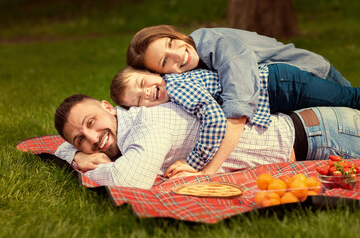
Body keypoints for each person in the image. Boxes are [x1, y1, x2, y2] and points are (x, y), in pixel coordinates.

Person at [125, 25, 359, 171]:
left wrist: (206, 172)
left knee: (352, 102)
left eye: (171, 43)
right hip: (282, 94)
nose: (178, 54)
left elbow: (237, 115)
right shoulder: (183, 78)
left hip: (300, 75)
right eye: (165, 61)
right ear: (162, 74)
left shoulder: (217, 46)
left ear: (175, 34)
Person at [54, 94, 360, 189]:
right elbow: (59, 147)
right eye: (81, 139)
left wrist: (87, 167)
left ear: (109, 107)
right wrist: (75, 155)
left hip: (326, 135)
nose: (94, 139)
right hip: (313, 138)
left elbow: (131, 179)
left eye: (92, 123)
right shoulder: (125, 132)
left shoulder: (148, 123)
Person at [110, 65, 360, 175]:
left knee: (348, 96)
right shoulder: (172, 94)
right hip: (306, 122)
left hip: (278, 86)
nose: (146, 93)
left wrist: (196, 163)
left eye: (143, 83)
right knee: (345, 96)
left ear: (154, 73)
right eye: (139, 101)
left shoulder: (177, 87)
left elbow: (216, 120)